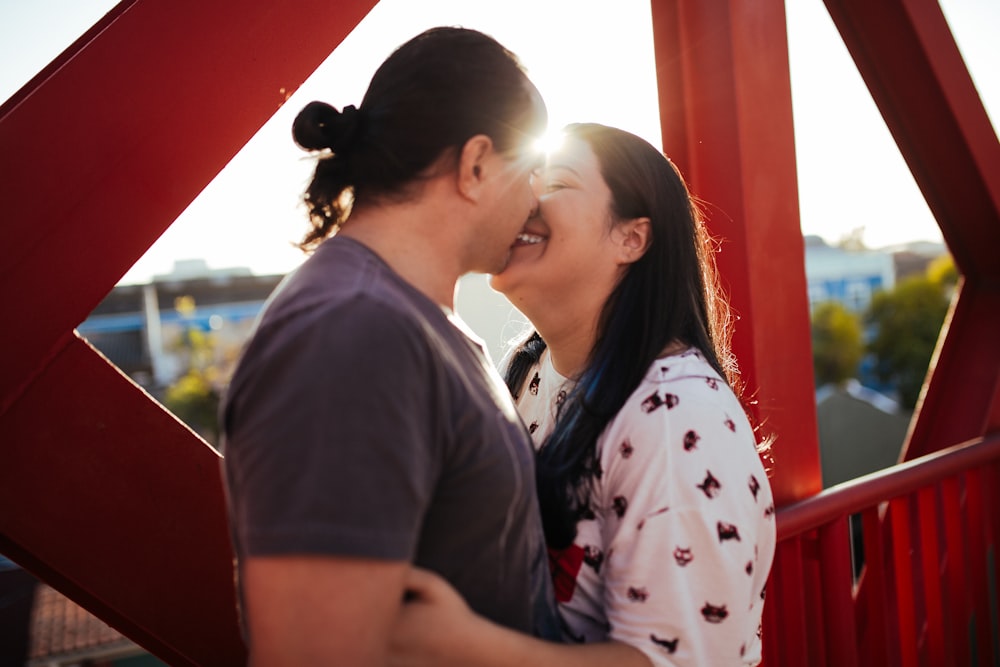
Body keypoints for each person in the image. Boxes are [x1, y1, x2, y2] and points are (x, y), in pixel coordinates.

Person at [220, 27, 559, 666]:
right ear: (477, 164)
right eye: (532, 170)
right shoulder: (351, 334)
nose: (537, 198)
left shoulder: (416, 321)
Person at [389, 123, 776, 667]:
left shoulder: (676, 420)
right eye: (530, 178)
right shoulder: (528, 369)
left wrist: (458, 642)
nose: (526, 198)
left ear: (631, 238)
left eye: (558, 183)